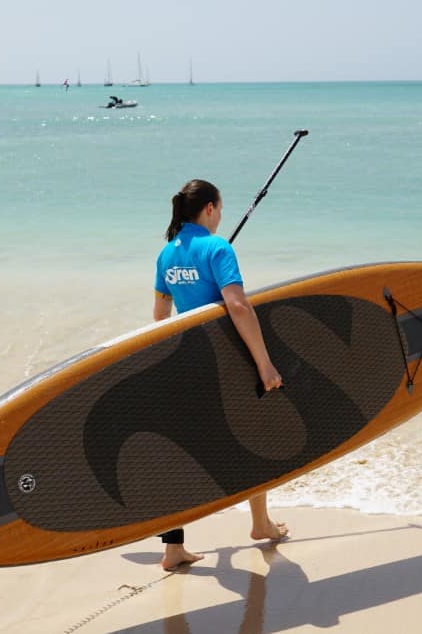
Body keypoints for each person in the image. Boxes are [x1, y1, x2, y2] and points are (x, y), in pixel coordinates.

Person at [153, 178, 289, 571]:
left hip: (184, 362)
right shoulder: (218, 247)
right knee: (258, 437)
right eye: (221, 208)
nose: (221, 215)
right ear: (210, 209)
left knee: (181, 455)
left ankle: (173, 547)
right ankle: (260, 522)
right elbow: (238, 307)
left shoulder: (166, 254)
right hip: (225, 362)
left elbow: (160, 317)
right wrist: (264, 363)